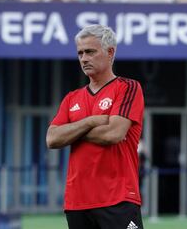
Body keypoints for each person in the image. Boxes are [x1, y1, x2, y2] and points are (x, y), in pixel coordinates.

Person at [46, 24, 145, 229]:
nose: (83, 58)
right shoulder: (71, 98)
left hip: (118, 198)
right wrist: (90, 121)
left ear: (110, 52)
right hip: (77, 202)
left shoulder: (128, 88)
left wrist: (71, 130)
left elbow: (113, 134)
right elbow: (52, 139)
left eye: (90, 51)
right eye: (80, 53)